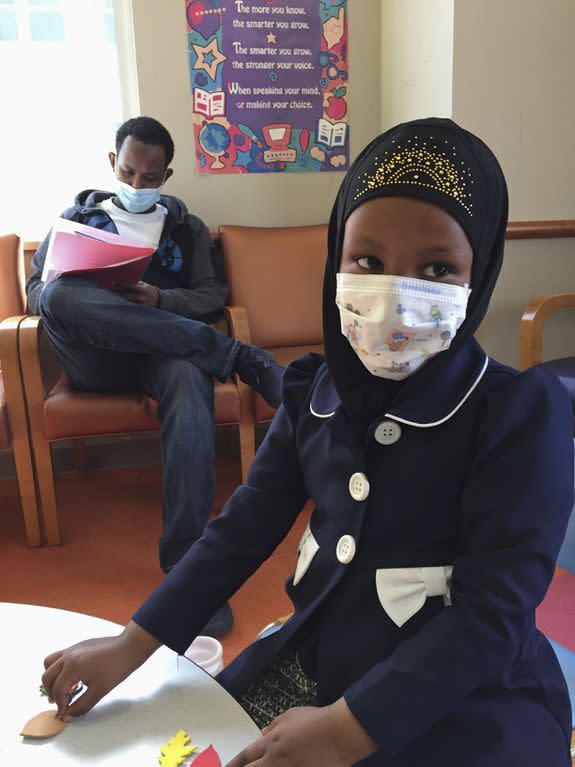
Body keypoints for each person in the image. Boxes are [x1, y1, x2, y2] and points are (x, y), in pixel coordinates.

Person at [40, 118, 575, 766]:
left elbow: (492, 615)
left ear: (478, 272)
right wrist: (132, 643)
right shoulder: (312, 390)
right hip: (319, 658)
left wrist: (351, 728)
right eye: (368, 262)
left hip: (464, 697)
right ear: (336, 260)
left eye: (436, 268)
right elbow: (240, 529)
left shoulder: (519, 413)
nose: (392, 296)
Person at [27, 116, 284, 638]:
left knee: (190, 381)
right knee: (58, 294)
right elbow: (37, 296)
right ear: (111, 163)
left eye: (150, 178)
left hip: (160, 358)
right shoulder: (74, 219)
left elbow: (212, 292)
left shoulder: (185, 228)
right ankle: (229, 354)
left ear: (166, 175)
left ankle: (189, 571)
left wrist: (159, 299)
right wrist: (92, 295)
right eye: (128, 172)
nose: (137, 186)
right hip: (92, 358)